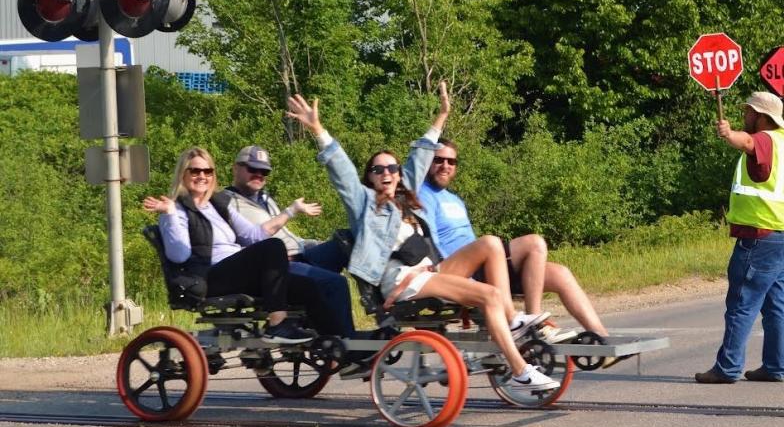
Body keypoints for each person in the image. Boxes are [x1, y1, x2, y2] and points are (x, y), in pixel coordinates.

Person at [285, 83, 560, 393]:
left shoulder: (406, 200)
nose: (386, 172)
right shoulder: (364, 204)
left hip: (430, 271)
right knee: (489, 295)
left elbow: (420, 156)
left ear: (399, 174)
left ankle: (511, 321)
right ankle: (520, 371)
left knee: (491, 243)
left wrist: (442, 115)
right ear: (370, 177)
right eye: (378, 169)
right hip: (401, 280)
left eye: (392, 167)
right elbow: (341, 170)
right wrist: (318, 128)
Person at [421, 139, 609, 344]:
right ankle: (533, 327)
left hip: (484, 267)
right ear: (428, 161)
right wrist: (443, 273)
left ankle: (602, 337)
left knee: (560, 273)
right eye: (439, 160)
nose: (445, 166)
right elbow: (428, 239)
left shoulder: (455, 199)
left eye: (451, 161)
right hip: (460, 272)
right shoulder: (423, 195)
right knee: (535, 243)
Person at [142, 147, 322, 344]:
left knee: (307, 283)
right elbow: (179, 255)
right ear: (183, 174)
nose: (202, 176)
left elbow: (255, 235)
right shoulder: (176, 210)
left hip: (234, 272)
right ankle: (277, 326)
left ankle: (328, 341)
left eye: (207, 171)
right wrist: (169, 213)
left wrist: (290, 211)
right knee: (273, 247)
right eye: (195, 171)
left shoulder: (217, 204)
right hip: (208, 276)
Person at [695, 91, 784, 384]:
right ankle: (775, 366)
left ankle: (727, 368)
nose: (745, 116)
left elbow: (749, 142)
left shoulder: (765, 139)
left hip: (761, 235)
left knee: (742, 303)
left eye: (748, 112)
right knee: (776, 305)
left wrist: (729, 133)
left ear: (761, 117)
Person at [223, 145, 355, 339]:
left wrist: (312, 242)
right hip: (278, 266)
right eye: (252, 169)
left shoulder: (265, 198)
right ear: (236, 168)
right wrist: (291, 210)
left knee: (347, 241)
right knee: (337, 283)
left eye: (264, 171)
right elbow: (240, 245)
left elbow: (286, 234)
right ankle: (347, 344)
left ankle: (386, 307)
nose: (259, 175)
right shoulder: (226, 202)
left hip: (302, 254)